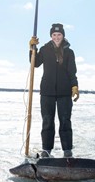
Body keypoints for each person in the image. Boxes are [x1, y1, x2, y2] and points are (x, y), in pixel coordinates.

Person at [29, 23, 79, 158]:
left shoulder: (69, 52)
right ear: (51, 36)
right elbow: (35, 63)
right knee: (47, 121)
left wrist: (74, 86)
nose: (57, 37)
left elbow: (72, 72)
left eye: (59, 35)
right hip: (47, 92)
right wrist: (32, 48)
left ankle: (67, 150)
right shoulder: (45, 50)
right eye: (54, 35)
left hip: (64, 92)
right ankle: (46, 150)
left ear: (63, 36)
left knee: (65, 121)